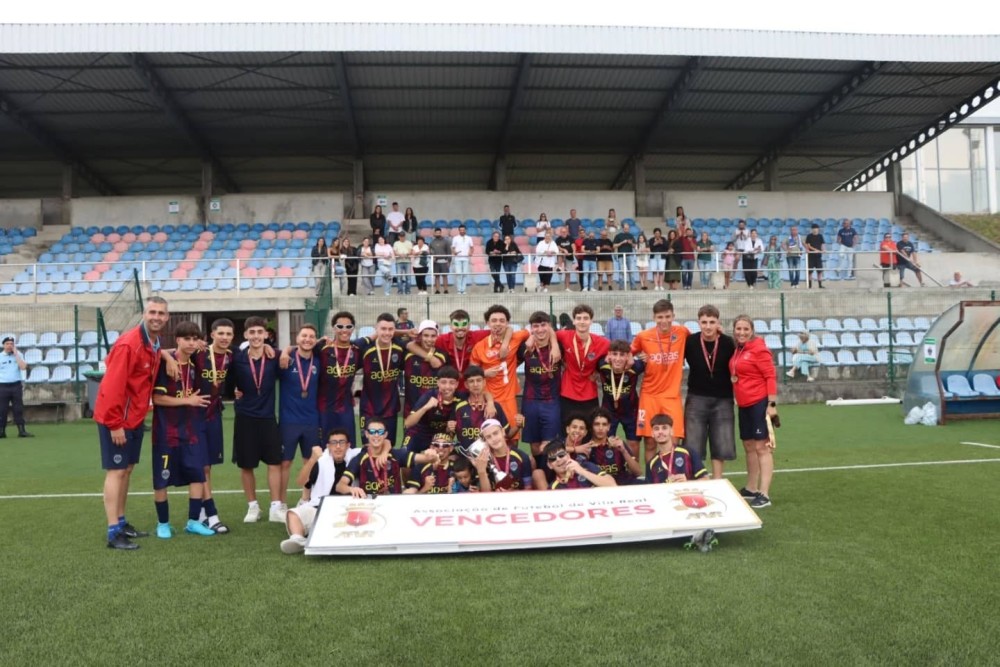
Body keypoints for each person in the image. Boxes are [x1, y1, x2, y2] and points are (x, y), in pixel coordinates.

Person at [96, 296, 169, 550]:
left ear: (167, 317)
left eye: (161, 313)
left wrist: (169, 357)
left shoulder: (154, 342)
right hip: (117, 419)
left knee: (126, 470)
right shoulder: (129, 344)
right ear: (144, 314)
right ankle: (113, 531)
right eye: (152, 312)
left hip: (135, 417)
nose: (156, 317)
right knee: (116, 471)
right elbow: (112, 386)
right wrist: (115, 423)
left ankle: (121, 521)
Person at [150, 320, 215, 539]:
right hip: (166, 433)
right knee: (161, 480)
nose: (191, 343)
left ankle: (193, 522)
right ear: (177, 340)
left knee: (197, 476)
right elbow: (157, 398)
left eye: (195, 339)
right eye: (186, 339)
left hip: (190, 431)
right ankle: (163, 524)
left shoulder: (195, 366)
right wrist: (187, 400)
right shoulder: (165, 365)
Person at [227, 316, 284, 523]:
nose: (256, 336)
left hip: (268, 417)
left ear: (266, 334)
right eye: (252, 332)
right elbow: (227, 384)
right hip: (245, 418)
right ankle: (253, 507)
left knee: (274, 462)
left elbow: (299, 349)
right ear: (245, 335)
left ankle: (275, 507)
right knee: (246, 465)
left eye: (260, 332)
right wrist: (233, 391)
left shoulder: (275, 356)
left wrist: (283, 350)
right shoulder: (236, 358)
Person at [279, 429, 359, 554]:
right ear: (328, 446)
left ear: (348, 445)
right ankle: (298, 539)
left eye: (342, 442)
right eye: (334, 443)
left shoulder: (357, 457)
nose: (338, 446)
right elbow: (301, 481)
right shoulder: (321, 461)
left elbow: (379, 445)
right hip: (321, 508)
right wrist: (312, 459)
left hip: (349, 508)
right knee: (292, 514)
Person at [631, 299, 689, 462]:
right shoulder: (643, 336)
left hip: (672, 396)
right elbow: (626, 354)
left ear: (673, 316)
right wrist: (638, 358)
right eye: (660, 317)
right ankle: (652, 475)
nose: (664, 321)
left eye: (667, 317)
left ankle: (671, 474)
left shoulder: (682, 332)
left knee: (673, 442)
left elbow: (702, 341)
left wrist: (718, 330)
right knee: (650, 442)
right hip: (649, 396)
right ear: (654, 318)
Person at [729, 315, 778, 508]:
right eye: (738, 329)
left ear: (752, 330)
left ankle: (764, 494)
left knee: (762, 448)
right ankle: (751, 488)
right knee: (749, 446)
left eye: (745, 329)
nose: (741, 332)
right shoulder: (739, 349)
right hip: (744, 405)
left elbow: (770, 376)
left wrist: (771, 404)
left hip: (759, 403)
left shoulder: (759, 349)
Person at [683, 305, 736, 479]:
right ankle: (696, 479)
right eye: (704, 322)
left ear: (718, 323)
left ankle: (717, 480)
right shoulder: (690, 342)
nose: (708, 326)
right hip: (696, 397)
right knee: (693, 443)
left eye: (712, 322)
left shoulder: (728, 342)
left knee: (721, 442)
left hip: (723, 398)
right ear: (698, 322)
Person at [191, 318, 234, 532]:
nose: (225, 337)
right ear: (212, 335)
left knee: (208, 466)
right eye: (221, 333)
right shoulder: (198, 352)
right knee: (202, 465)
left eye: (229, 334)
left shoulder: (231, 356)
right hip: (194, 414)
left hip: (214, 415)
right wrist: (167, 357)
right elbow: (171, 352)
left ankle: (199, 512)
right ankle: (211, 513)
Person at [277, 324, 322, 514]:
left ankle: (306, 499)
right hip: (289, 421)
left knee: (310, 462)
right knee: (285, 463)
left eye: (311, 336)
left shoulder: (319, 360)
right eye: (304, 335)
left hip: (311, 420)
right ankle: (281, 503)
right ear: (297, 338)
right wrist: (285, 351)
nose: (307, 339)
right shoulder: (285, 360)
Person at [470, 305, 532, 437]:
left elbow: (529, 333)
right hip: (487, 398)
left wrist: (506, 343)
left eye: (502, 321)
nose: (498, 324)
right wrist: (484, 373)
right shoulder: (479, 347)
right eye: (494, 320)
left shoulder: (515, 338)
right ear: (487, 323)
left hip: (508, 398)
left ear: (507, 323)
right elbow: (471, 373)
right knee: (487, 437)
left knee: (512, 436)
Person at [336, 418, 432, 497]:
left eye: (380, 432)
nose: (376, 435)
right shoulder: (360, 458)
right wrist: (351, 489)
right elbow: (340, 486)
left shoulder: (395, 455)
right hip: (369, 506)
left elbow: (425, 458)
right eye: (372, 432)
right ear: (366, 434)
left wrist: (430, 454)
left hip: (393, 505)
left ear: (385, 434)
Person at [518, 311, 563, 466]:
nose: (540, 329)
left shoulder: (559, 346)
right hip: (530, 402)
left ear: (549, 326)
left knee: (550, 444)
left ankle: (551, 474)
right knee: (535, 446)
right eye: (535, 326)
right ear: (531, 328)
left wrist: (555, 343)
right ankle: (539, 473)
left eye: (543, 325)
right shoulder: (525, 348)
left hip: (552, 401)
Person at [356, 313, 407, 446]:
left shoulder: (400, 348)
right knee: (368, 446)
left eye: (390, 329)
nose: (387, 333)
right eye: (383, 329)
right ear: (376, 329)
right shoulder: (366, 349)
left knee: (389, 446)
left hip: (390, 408)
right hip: (369, 408)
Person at [554, 304, 610, 418]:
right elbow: (548, 333)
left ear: (591, 321)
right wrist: (555, 347)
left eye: (586, 318)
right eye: (578, 318)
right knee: (567, 427)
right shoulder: (564, 336)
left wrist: (598, 372)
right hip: (568, 392)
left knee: (590, 427)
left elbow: (620, 351)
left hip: (589, 393)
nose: (582, 322)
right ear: (574, 321)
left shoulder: (603, 343)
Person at [315, 311, 360, 443]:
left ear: (353, 329)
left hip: (346, 408)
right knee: (325, 448)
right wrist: (286, 351)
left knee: (348, 446)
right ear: (333, 328)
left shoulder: (357, 350)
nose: (344, 330)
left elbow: (381, 335)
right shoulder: (322, 348)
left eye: (348, 326)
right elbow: (300, 348)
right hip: (325, 408)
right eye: (340, 326)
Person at [598, 340, 644, 460]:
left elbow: (650, 358)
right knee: (605, 442)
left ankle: (633, 469)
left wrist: (645, 357)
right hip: (608, 411)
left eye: (622, 355)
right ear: (609, 355)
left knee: (633, 443)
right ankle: (609, 469)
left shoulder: (636, 366)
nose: (618, 359)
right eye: (614, 354)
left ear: (628, 356)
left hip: (631, 411)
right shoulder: (602, 365)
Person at [403, 366, 463, 453]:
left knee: (454, 458)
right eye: (443, 382)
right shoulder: (429, 396)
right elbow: (407, 423)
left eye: (452, 383)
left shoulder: (461, 398)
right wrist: (426, 407)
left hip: (440, 437)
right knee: (404, 455)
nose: (447, 386)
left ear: (457, 384)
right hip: (419, 434)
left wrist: (454, 426)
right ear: (438, 383)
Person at [454, 365, 511, 450]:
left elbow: (506, 432)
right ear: (466, 384)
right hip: (465, 454)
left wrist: (518, 426)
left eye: (479, 380)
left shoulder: (495, 406)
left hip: (492, 454)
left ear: (484, 382)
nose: (475, 384)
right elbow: (451, 430)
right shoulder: (459, 407)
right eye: (471, 381)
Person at [401, 320, 449, 417]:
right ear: (420, 336)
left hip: (434, 410)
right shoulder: (407, 354)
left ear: (437, 337)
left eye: (433, 336)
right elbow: (389, 336)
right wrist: (406, 332)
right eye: (426, 335)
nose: (429, 339)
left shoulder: (442, 355)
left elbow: (445, 378)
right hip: (411, 409)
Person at [644, 413, 708, 483]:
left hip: (687, 490)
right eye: (656, 429)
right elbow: (649, 488)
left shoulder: (687, 452)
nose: (660, 432)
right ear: (652, 433)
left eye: (664, 428)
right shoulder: (651, 464)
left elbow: (706, 479)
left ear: (672, 431)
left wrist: (687, 482)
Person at [586, 407, 642, 485]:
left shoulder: (618, 444)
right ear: (591, 427)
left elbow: (638, 472)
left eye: (604, 424)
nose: (600, 428)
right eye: (597, 424)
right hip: (600, 488)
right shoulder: (586, 448)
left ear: (609, 427)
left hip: (623, 486)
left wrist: (623, 451)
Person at [476, 418, 535, 491]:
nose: (493, 439)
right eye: (488, 437)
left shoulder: (522, 456)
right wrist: (482, 472)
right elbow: (484, 495)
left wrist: (512, 493)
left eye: (495, 433)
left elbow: (528, 490)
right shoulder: (483, 460)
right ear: (485, 441)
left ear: (503, 432)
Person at [545, 440, 616, 489]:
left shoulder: (586, 466)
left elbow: (612, 485)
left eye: (561, 455)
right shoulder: (553, 488)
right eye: (553, 459)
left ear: (568, 455)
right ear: (549, 465)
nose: (558, 459)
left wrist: (581, 471)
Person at [0, 336, 31, 438]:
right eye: (7, 344)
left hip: (16, 385)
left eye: (11, 344)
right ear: (3, 345)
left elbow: (23, 367)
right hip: (3, 386)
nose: (9, 346)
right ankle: (1, 431)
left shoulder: (18, 355)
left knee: (18, 408)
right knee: (2, 409)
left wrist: (16, 355)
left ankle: (21, 431)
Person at [451, 224, 474, 295]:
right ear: (459, 230)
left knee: (464, 274)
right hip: (457, 258)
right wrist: (454, 252)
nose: (462, 231)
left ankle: (463, 290)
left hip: (466, 258)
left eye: (463, 230)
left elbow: (472, 247)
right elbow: (453, 248)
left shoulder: (469, 238)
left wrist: (470, 253)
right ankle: (459, 290)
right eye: (461, 230)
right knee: (459, 274)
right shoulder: (455, 238)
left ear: (465, 230)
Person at [613, 222, 636, 290]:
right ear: (623, 228)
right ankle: (621, 287)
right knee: (621, 272)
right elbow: (614, 246)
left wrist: (631, 243)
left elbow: (635, 246)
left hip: (630, 255)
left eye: (628, 229)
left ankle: (633, 287)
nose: (627, 230)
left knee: (631, 271)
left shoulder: (631, 236)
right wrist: (622, 243)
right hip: (621, 256)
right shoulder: (618, 236)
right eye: (625, 228)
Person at [429, 227, 452, 294]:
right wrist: (433, 257)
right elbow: (430, 251)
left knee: (445, 276)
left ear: (441, 233)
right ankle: (437, 290)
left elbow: (449, 252)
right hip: (436, 262)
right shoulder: (432, 242)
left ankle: (446, 290)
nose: (438, 234)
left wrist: (449, 261)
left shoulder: (446, 241)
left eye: (439, 233)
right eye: (436, 233)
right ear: (434, 233)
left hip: (444, 261)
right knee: (437, 276)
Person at [554, 225, 576, 291]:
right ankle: (560, 267)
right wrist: (564, 250)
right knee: (560, 252)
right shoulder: (558, 239)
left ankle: (567, 288)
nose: (564, 233)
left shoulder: (570, 238)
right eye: (562, 232)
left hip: (569, 256)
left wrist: (574, 251)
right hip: (562, 255)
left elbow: (573, 245)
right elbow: (557, 247)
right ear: (560, 232)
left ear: (567, 232)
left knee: (568, 273)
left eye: (565, 232)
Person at [392, 231, 413, 295]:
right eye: (401, 236)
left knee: (408, 277)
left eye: (403, 236)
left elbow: (411, 251)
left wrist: (406, 254)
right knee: (399, 278)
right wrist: (400, 255)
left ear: (405, 236)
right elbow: (395, 251)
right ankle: (400, 291)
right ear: (399, 237)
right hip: (399, 261)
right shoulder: (396, 243)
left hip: (407, 261)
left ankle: (408, 291)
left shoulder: (409, 242)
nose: (402, 237)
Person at [805, 223, 825, 289]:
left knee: (819, 271)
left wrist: (823, 250)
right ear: (812, 229)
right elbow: (808, 245)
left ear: (818, 229)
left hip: (818, 256)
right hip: (811, 256)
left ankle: (820, 285)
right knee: (810, 271)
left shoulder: (820, 236)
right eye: (813, 228)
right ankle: (810, 285)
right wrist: (815, 250)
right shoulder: (809, 236)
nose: (815, 230)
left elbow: (822, 244)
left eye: (816, 228)